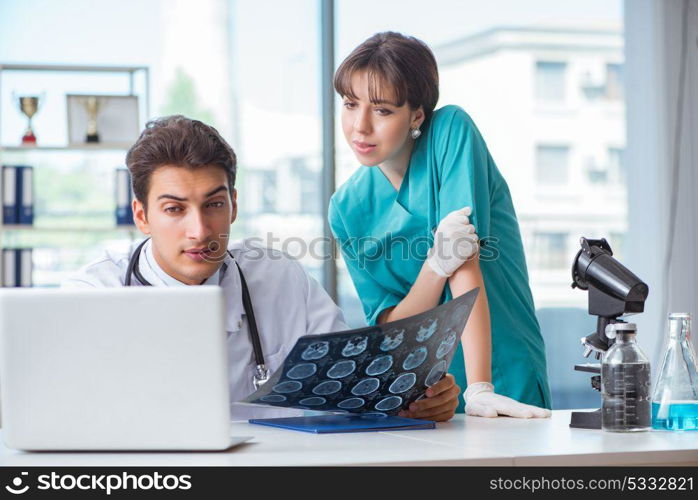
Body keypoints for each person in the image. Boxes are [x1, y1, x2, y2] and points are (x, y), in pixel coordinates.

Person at [63, 115, 460, 421]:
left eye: (214, 204)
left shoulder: (279, 277)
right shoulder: (90, 295)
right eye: (174, 209)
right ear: (141, 215)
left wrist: (415, 402)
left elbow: (356, 388)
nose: (199, 230)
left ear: (234, 205)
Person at [329, 32, 552, 418]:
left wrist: (480, 386)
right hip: (430, 392)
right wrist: (434, 266)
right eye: (350, 105)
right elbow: (394, 325)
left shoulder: (450, 133)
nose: (359, 127)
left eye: (382, 111)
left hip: (499, 365)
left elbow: (464, 259)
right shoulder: (347, 209)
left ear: (417, 115)